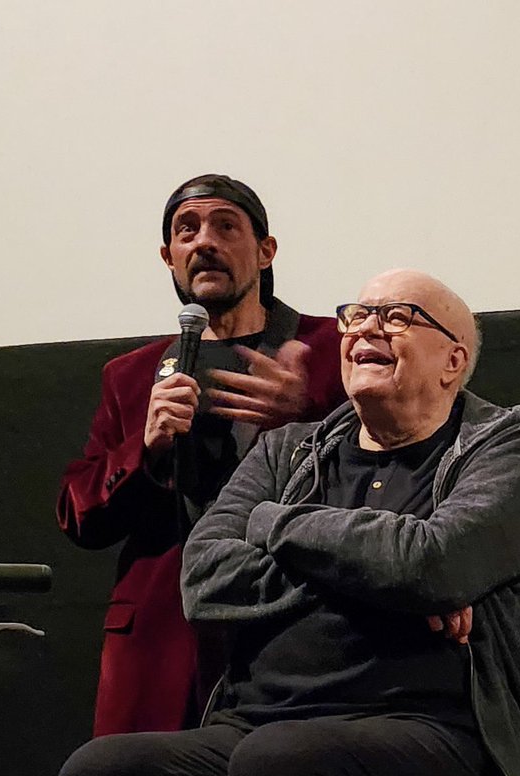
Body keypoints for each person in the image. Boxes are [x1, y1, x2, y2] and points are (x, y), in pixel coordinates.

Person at [54, 268, 520, 776]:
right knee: (100, 775)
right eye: (357, 315)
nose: (368, 329)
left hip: (427, 730)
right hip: (256, 723)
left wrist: (274, 522)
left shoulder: (503, 442)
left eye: (396, 317)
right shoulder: (285, 450)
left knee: (280, 765)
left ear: (453, 362)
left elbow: (435, 564)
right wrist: (385, 579)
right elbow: (203, 577)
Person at [57, 174, 347, 736]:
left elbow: (394, 468)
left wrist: (308, 413)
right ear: (169, 257)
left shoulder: (330, 349)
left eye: (225, 226)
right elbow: (78, 516)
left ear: (266, 251)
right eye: (186, 231)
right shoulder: (132, 376)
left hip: (296, 626)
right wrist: (145, 449)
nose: (203, 241)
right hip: (162, 642)